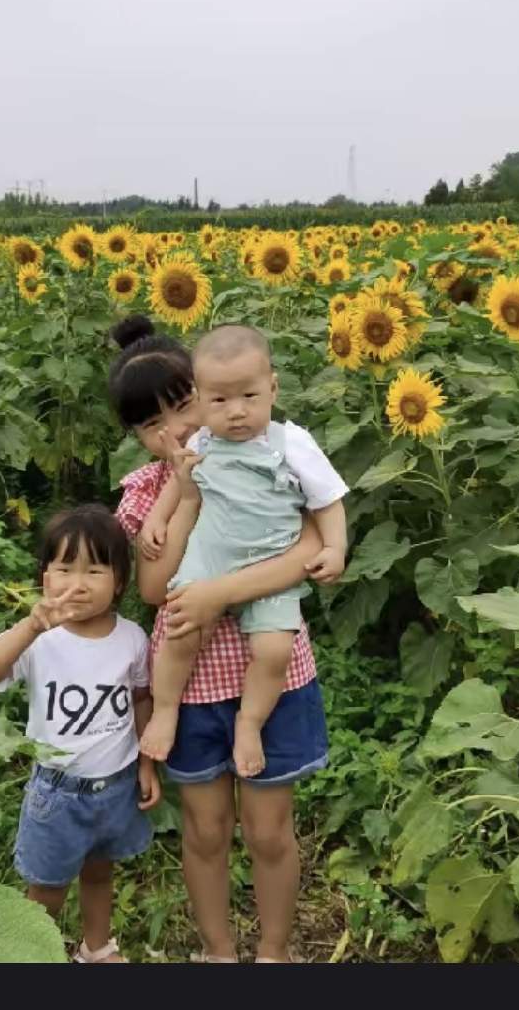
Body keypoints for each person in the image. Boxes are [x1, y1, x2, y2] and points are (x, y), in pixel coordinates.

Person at [109, 316, 340, 964]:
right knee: (205, 831)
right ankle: (218, 952)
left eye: (183, 406)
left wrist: (218, 594)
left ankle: (272, 952)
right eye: (153, 425)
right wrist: (183, 496)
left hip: (271, 671)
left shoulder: (268, 454)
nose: (176, 430)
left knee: (269, 832)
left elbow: (311, 547)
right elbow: (155, 589)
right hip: (193, 681)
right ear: (136, 436)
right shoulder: (143, 494)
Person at [137, 325, 348, 778]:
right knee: (181, 629)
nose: (236, 412)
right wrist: (156, 519)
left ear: (272, 387)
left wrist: (335, 547)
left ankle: (249, 723)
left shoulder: (292, 444)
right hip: (209, 556)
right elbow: (179, 485)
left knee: (274, 651)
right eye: (219, 401)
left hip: (272, 559)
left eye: (249, 397)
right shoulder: (200, 444)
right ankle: (167, 708)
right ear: (200, 398)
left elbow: (328, 500)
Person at [0, 504, 160, 964]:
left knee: (99, 874)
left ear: (119, 581)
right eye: (64, 569)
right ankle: (34, 955)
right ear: (45, 577)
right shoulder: (39, 639)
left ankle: (96, 948)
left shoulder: (132, 637)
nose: (78, 583)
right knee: (47, 888)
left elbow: (140, 700)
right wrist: (31, 625)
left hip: (115, 786)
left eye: (95, 569)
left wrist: (147, 764)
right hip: (57, 793)